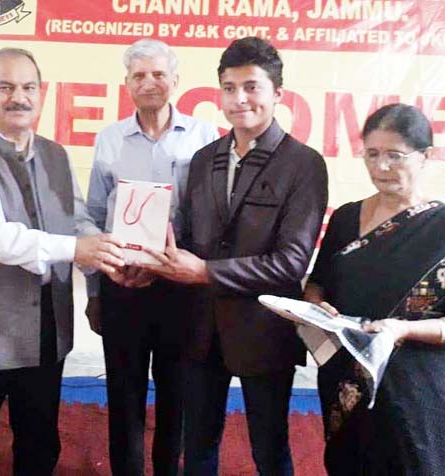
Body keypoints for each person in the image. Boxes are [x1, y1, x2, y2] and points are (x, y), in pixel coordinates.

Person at [143, 37, 328, 475]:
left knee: (269, 448)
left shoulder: (303, 163)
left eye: (251, 86)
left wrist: (205, 271)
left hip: (263, 330)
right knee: (199, 445)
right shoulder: (204, 158)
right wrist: (149, 258)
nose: (239, 99)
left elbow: (291, 263)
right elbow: (185, 236)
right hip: (200, 328)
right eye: (229, 88)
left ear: (277, 93)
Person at [0, 47, 125, 476]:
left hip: (46, 328)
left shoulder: (56, 154)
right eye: (5, 87)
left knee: (39, 442)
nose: (17, 97)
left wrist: (115, 253)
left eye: (27, 87)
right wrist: (78, 250)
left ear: (41, 95)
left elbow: (76, 220)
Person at [304, 103, 445, 475]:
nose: (381, 167)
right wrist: (316, 307)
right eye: (372, 154)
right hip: (350, 379)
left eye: (395, 156)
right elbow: (318, 284)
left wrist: (405, 329)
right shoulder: (346, 217)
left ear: (426, 157)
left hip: (418, 389)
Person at [85, 39, 218, 476]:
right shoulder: (109, 140)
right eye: (139, 75)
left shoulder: (205, 138)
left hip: (180, 286)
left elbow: (216, 216)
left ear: (175, 81)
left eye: (159, 74)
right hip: (122, 284)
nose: (150, 83)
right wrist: (96, 288)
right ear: (127, 85)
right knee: (124, 395)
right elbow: (94, 217)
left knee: (177, 393)